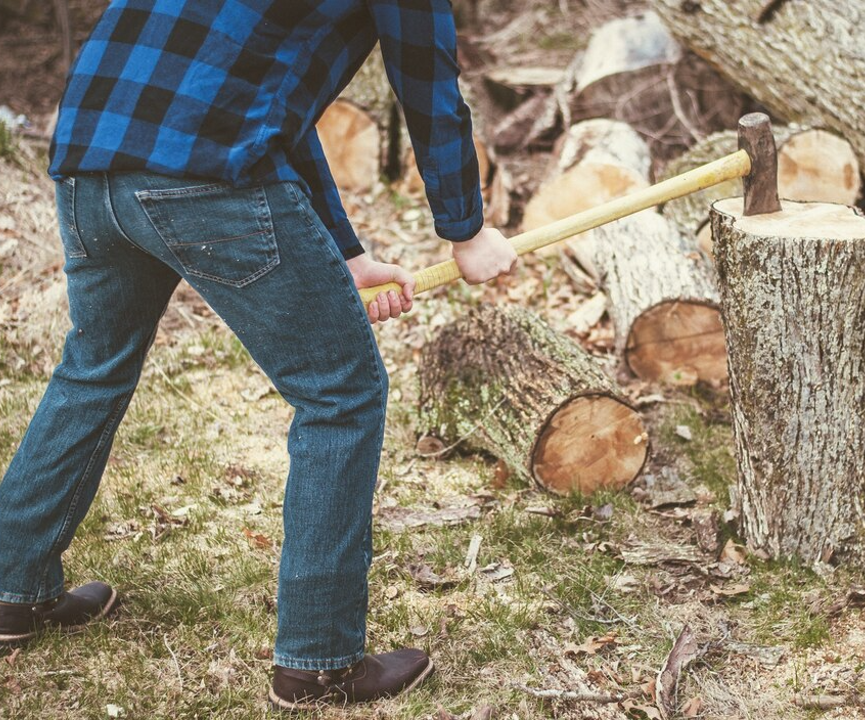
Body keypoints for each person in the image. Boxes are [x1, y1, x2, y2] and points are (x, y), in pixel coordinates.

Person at [0, 0, 517, 710]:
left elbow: (266, 104)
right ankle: (319, 662)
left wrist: (348, 252)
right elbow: (425, 78)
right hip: (202, 172)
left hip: (91, 158)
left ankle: (9, 590)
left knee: (93, 366)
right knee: (341, 394)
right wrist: (467, 229)